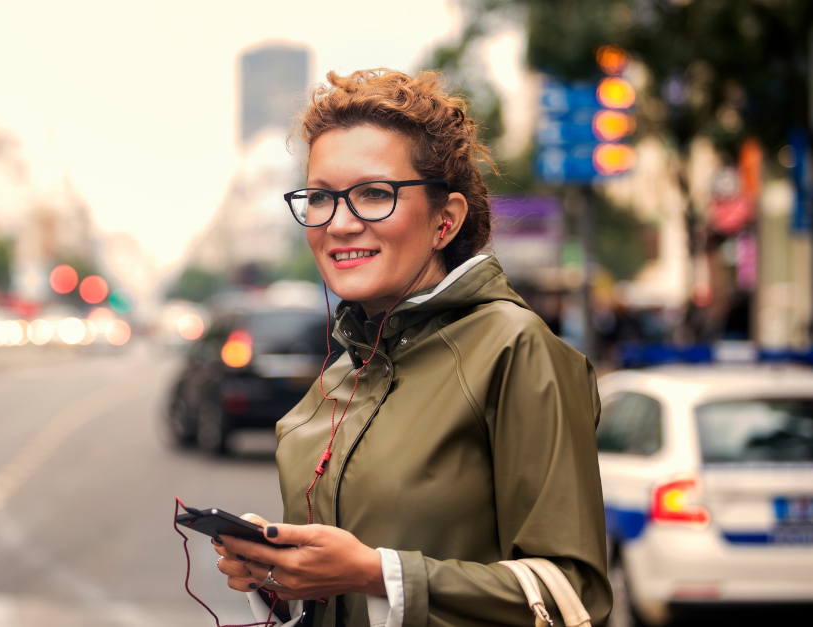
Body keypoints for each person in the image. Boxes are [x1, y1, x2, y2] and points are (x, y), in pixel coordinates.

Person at [211, 69, 612, 627]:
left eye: (374, 194)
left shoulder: (514, 349)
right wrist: (279, 577)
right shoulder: (340, 374)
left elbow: (573, 596)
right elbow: (344, 596)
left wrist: (376, 573)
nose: (340, 223)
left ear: (445, 221)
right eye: (321, 197)